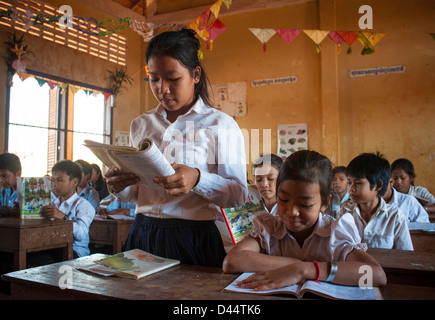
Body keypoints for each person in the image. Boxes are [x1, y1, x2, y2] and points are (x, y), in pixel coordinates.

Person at [104, 29, 247, 268]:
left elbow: (239, 195)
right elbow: (136, 192)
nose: (163, 89)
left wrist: (198, 179)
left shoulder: (219, 124)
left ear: (196, 74)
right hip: (142, 233)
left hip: (192, 238)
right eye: (155, 78)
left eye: (173, 78)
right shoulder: (141, 124)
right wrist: (118, 186)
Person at [223, 150, 386, 291]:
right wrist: (294, 265)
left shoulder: (335, 232)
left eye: (305, 204)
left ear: (325, 203)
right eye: (284, 199)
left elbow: (376, 274)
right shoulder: (270, 227)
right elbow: (232, 261)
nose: (292, 212)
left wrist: (305, 269)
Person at [337, 153, 413, 250]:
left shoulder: (395, 217)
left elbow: (405, 255)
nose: (351, 188)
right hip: (352, 265)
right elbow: (337, 249)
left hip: (385, 265)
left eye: (358, 183)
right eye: (350, 183)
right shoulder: (344, 212)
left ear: (378, 185)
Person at [41, 160, 95, 258]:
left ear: (74, 182)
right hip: (52, 247)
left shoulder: (83, 205)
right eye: (53, 180)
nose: (55, 185)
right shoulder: (52, 203)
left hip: (75, 252)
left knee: (41, 258)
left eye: (60, 180)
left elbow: (82, 234)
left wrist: (63, 217)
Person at [0, 153, 21, 217]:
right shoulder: (4, 190)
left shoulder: (27, 191)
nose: (0, 180)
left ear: (18, 174)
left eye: (4, 176)